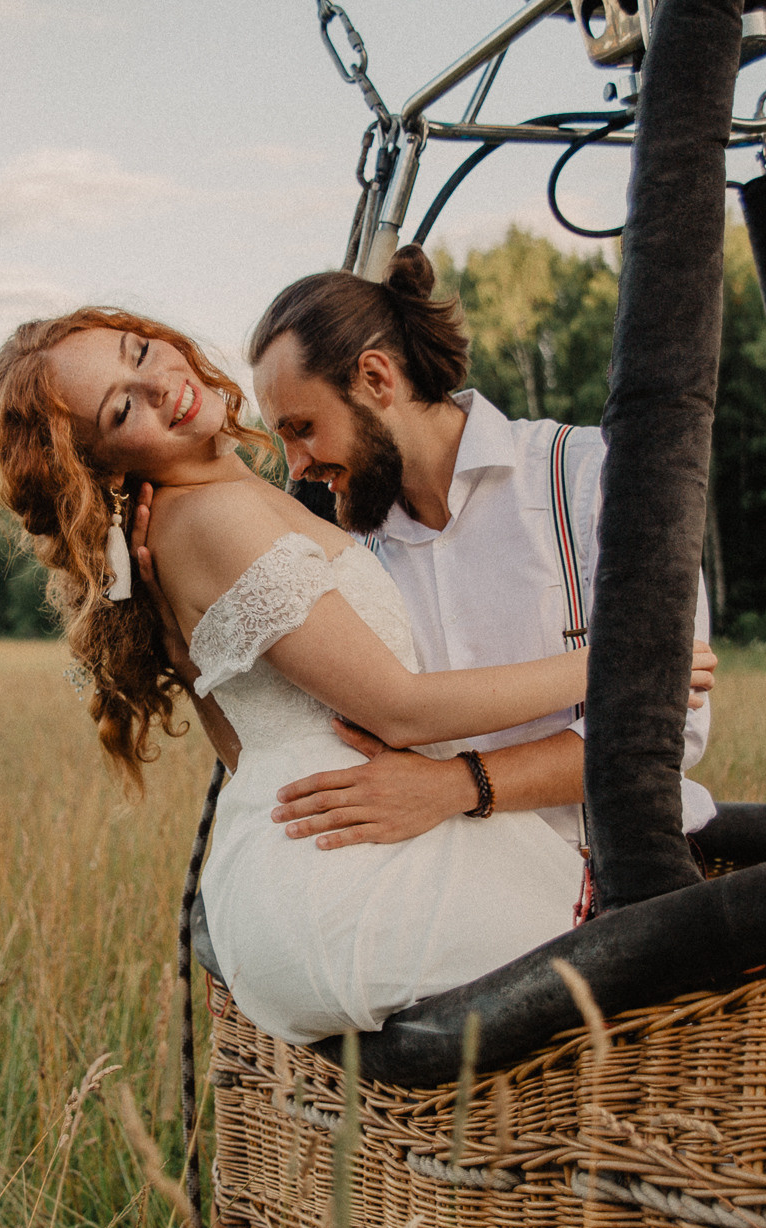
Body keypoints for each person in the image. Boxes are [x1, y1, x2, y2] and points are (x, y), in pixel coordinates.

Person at [0, 308, 596, 1045]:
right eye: (122, 408)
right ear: (106, 466)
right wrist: (609, 664)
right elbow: (398, 710)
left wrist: (187, 662)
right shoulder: (217, 515)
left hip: (308, 860)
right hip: (343, 881)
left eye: (141, 350)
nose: (160, 385)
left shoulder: (224, 506)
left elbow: (258, 746)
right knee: (616, 951)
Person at [233, 244, 716, 862]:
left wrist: (457, 785)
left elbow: (663, 728)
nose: (297, 465)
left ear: (377, 379)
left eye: (302, 428)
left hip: (630, 881)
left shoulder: (590, 473)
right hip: (454, 892)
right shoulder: (356, 559)